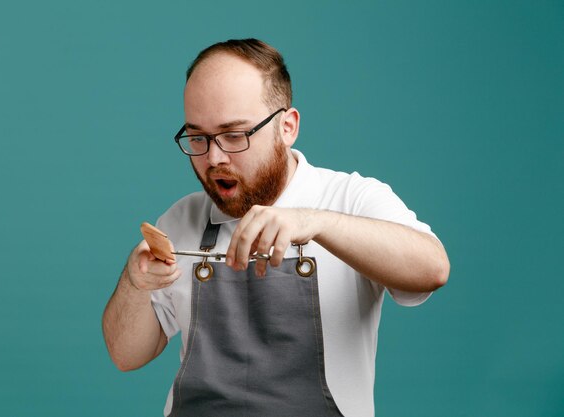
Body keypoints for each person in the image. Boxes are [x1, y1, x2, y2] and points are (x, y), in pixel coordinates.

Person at [102, 38, 450, 417]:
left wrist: (315, 221)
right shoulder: (180, 220)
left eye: (235, 135)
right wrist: (133, 285)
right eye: (198, 137)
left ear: (287, 127)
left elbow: (432, 268)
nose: (214, 157)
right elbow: (125, 355)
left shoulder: (350, 199)